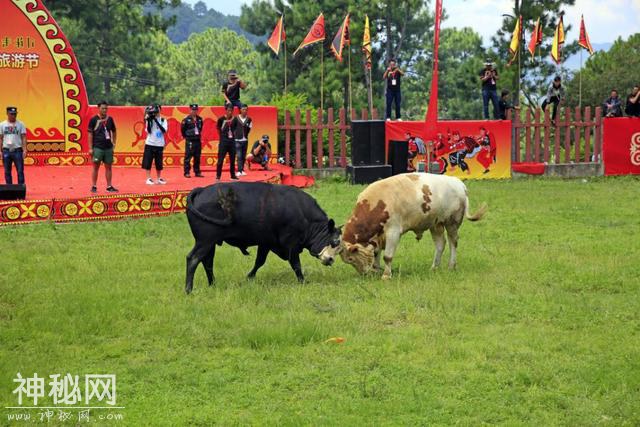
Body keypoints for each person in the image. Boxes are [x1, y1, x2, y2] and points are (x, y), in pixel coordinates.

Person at [87, 101, 118, 192]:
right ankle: (94, 186)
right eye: (103, 108)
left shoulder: (110, 119)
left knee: (108, 167)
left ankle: (109, 186)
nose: (105, 110)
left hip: (108, 147)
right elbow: (90, 134)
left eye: (106, 108)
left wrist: (114, 143)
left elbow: (114, 131)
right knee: (95, 167)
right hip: (98, 147)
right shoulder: (93, 120)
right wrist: (90, 148)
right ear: (98, 108)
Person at [142, 104, 168, 185]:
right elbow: (149, 130)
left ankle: (159, 178)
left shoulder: (163, 120)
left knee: (159, 162)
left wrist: (156, 120)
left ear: (160, 110)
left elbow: (164, 131)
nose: (156, 113)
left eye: (157, 110)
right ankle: (148, 178)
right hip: (150, 143)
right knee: (148, 161)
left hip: (159, 144)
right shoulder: (149, 120)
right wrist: (149, 120)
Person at [0, 106, 27, 185]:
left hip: (17, 151)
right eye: (11, 114)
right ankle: (9, 189)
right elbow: (0, 138)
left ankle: (20, 189)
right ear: (7, 114)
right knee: (7, 171)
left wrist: (25, 149)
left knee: (20, 171)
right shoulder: (2, 125)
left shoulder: (21, 124)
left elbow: (24, 137)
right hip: (6, 151)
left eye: (15, 114)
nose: (13, 116)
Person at [216, 103, 238, 180]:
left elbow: (235, 129)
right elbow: (218, 129)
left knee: (232, 159)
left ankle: (233, 175)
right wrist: (222, 137)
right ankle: (218, 175)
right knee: (220, 159)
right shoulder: (221, 119)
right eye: (228, 110)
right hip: (223, 142)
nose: (230, 112)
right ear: (226, 110)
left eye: (231, 111)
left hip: (232, 141)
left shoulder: (235, 119)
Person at [181, 103, 204, 178]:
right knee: (188, 156)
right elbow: (183, 130)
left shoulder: (200, 119)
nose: (194, 111)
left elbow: (200, 128)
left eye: (195, 110)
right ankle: (186, 172)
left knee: (197, 156)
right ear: (190, 110)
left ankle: (197, 171)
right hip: (190, 140)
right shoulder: (186, 120)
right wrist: (187, 136)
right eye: (193, 110)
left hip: (197, 140)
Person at [232, 104, 252, 176]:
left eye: (246, 110)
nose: (245, 111)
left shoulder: (249, 119)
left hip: (245, 140)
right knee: (239, 155)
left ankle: (242, 170)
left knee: (243, 156)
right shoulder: (236, 118)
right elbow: (232, 127)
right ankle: (239, 171)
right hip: (237, 140)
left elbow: (249, 128)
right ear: (240, 110)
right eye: (243, 109)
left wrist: (245, 135)